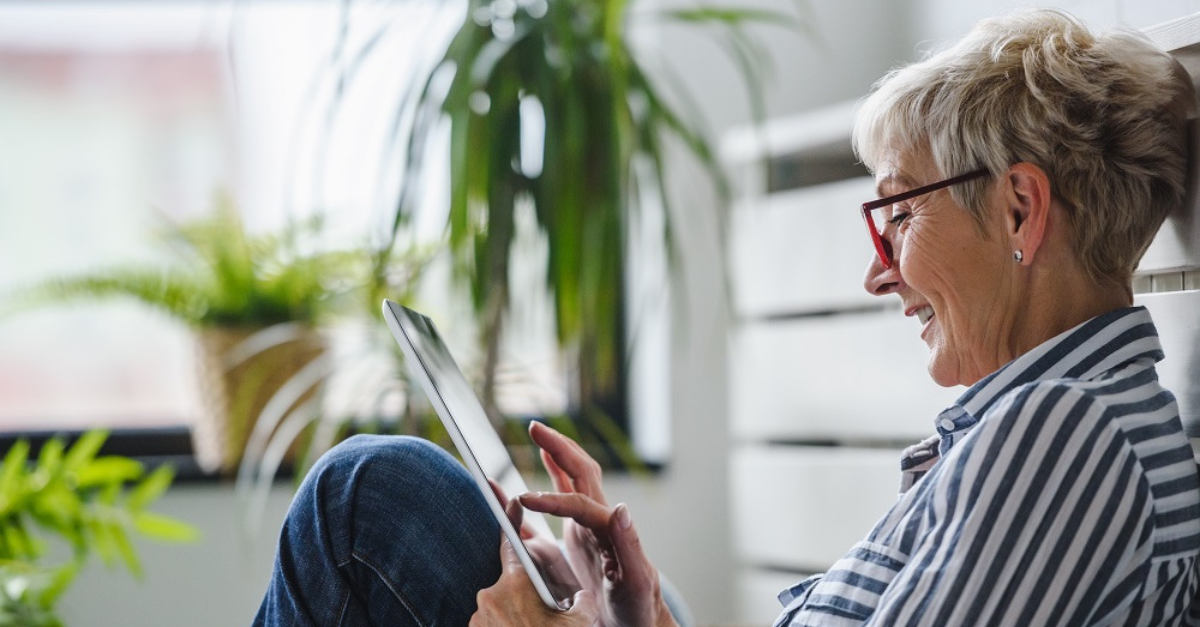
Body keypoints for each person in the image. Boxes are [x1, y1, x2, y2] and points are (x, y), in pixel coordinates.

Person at [251, 8, 1200, 627]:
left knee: (367, 497)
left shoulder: (1069, 437)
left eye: (899, 213)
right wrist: (640, 612)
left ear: (1022, 210)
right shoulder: (1047, 423)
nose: (878, 274)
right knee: (385, 490)